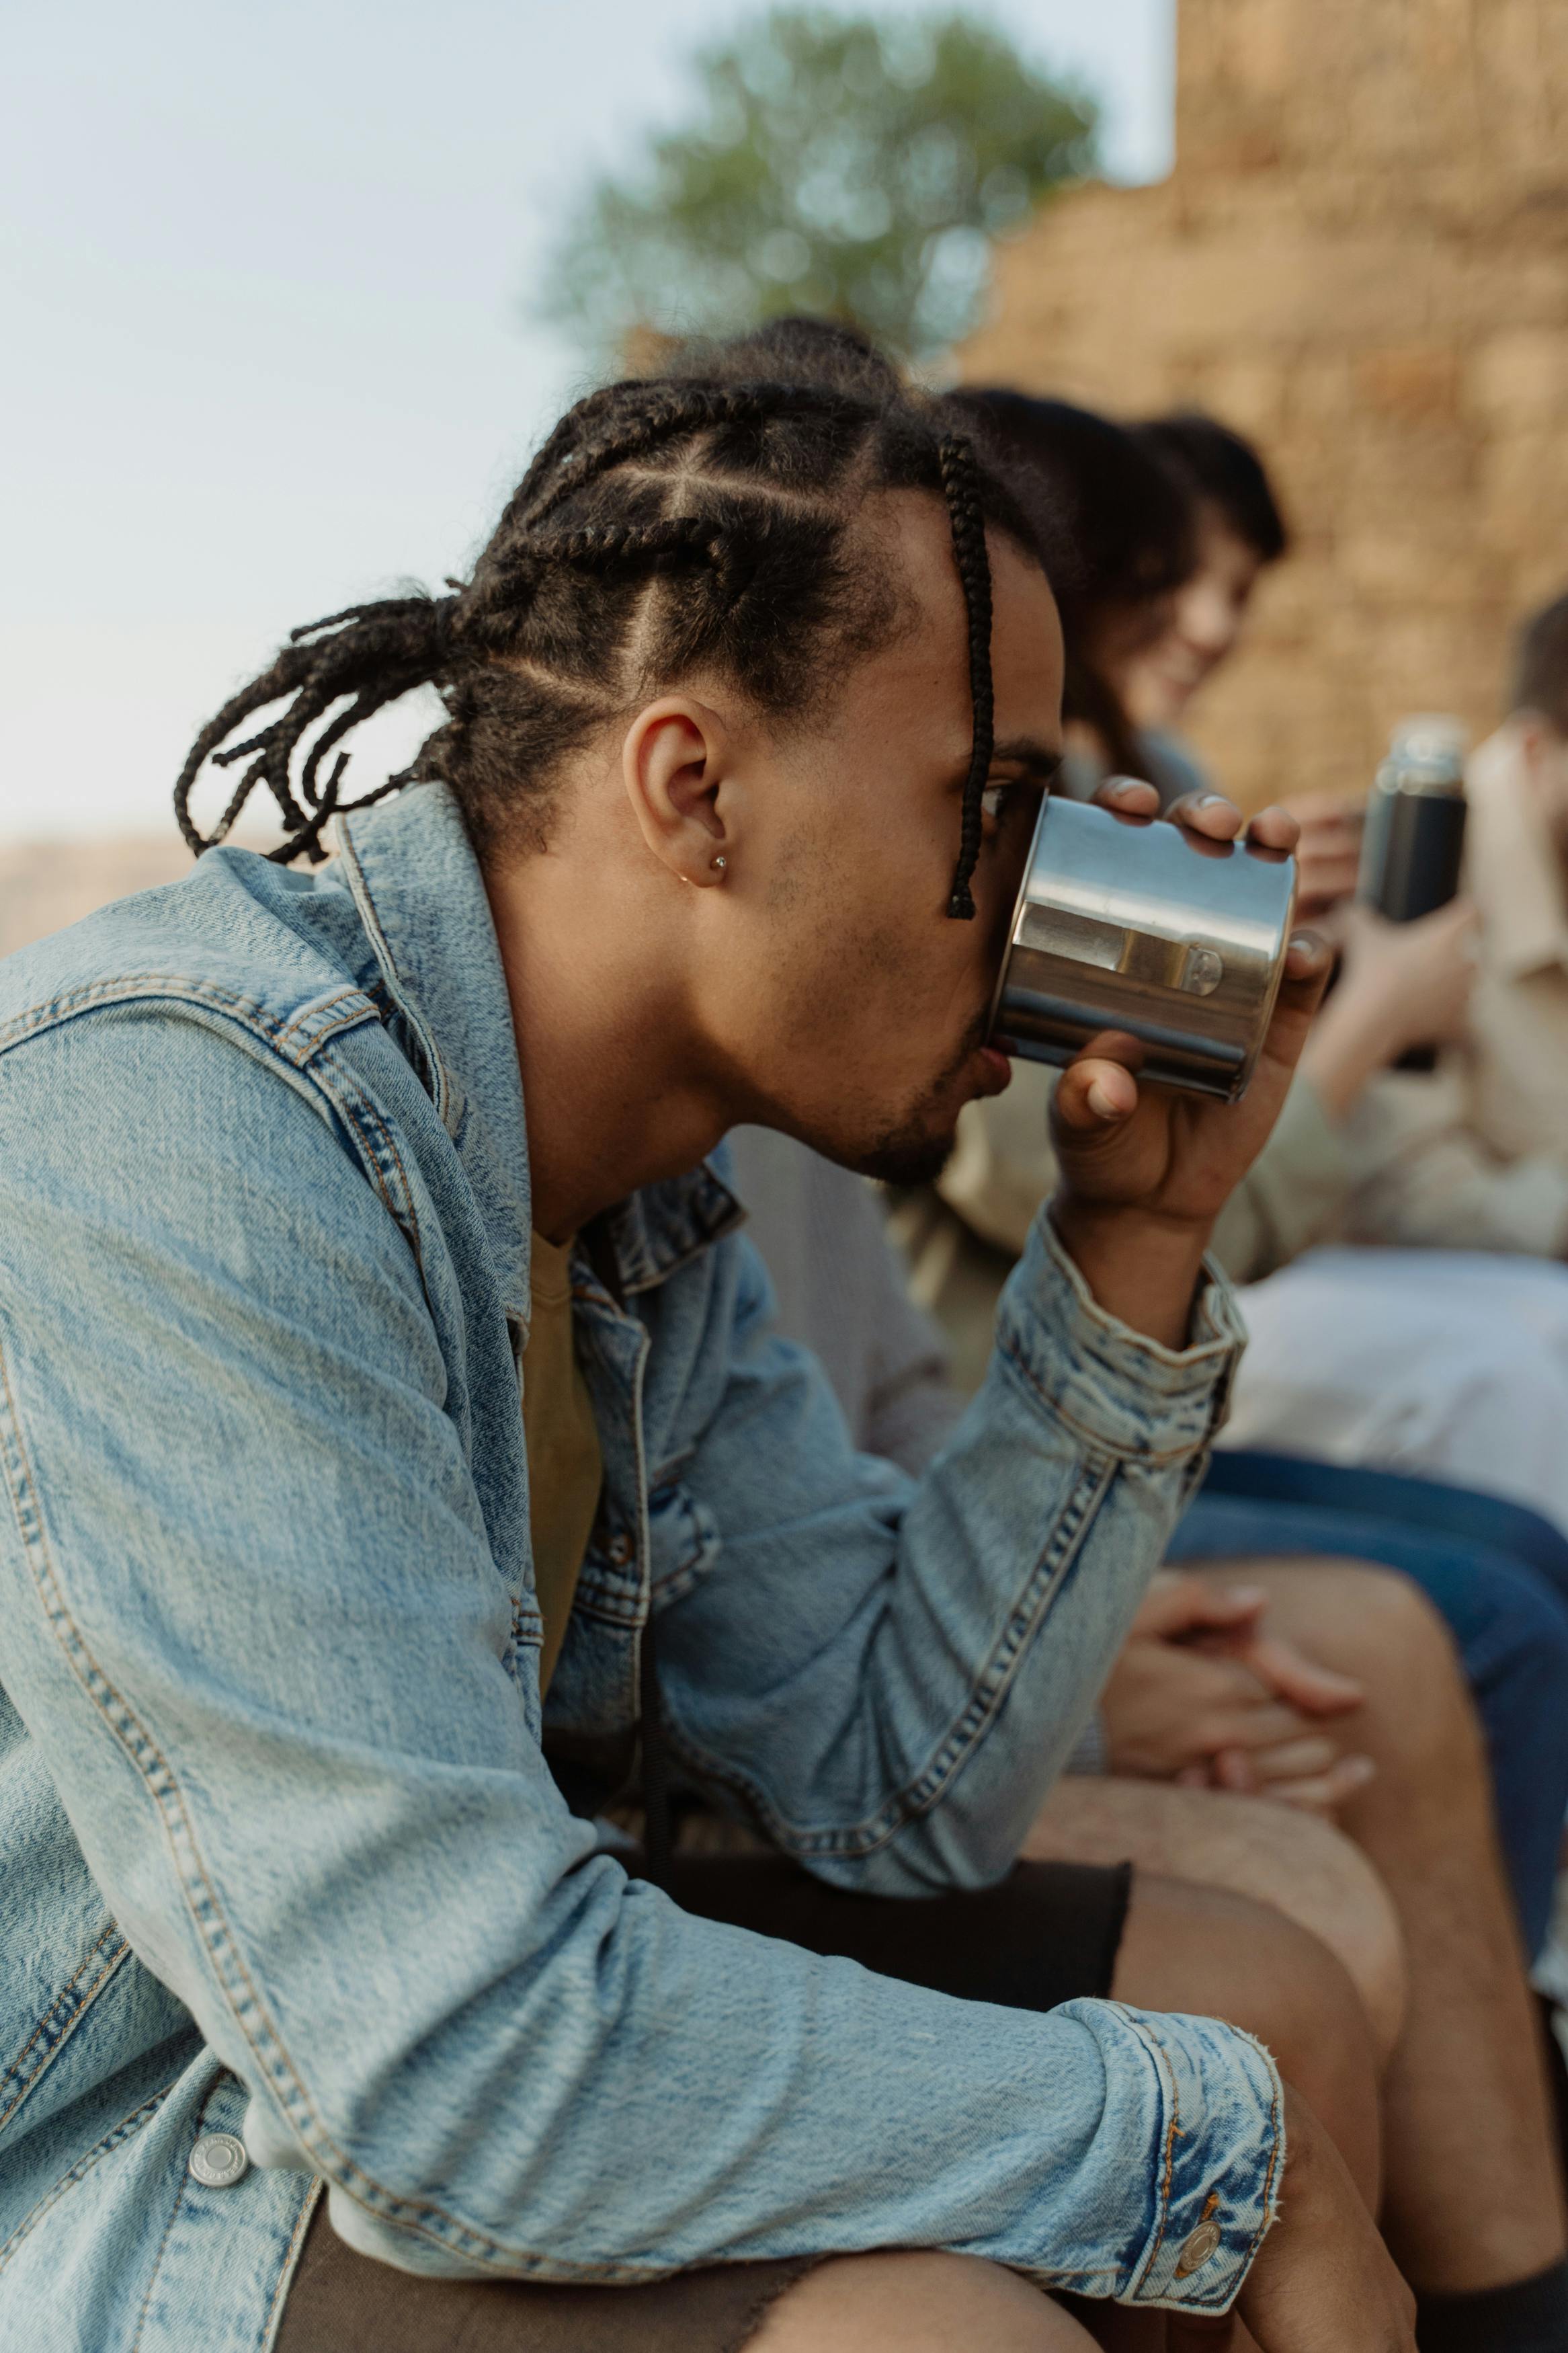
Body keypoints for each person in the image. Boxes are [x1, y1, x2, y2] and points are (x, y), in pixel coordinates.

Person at [0, 349, 1413, 2352]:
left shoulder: (639, 1199)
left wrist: (1133, 1244)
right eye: (993, 808)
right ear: (694, 789)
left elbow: (892, 1773)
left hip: (383, 2021)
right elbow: (453, 2053)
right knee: (949, 2329)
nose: (1039, 921)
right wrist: (1191, 2148)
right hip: (107, 2129)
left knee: (1237, 1991)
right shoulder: (186, 1117)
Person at [733, 1122, 1568, 2350]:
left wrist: (1063, 1624)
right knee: (1293, 1930)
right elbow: (698, 1660)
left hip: (912, 1588)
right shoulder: (637, 1157)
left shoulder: (728, 1179)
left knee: (1409, 1641)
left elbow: (895, 1407)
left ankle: (1518, 2317)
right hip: (800, 1723)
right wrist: (1065, 1689)